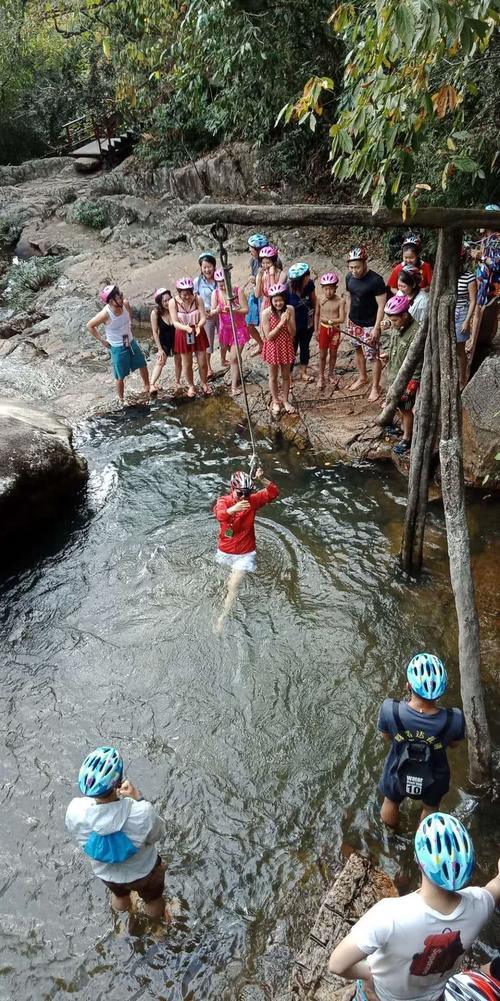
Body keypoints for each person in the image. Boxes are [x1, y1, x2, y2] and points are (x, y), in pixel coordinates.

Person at [328, 812, 500, 1001]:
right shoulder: (480, 906)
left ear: (418, 861)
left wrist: (369, 974)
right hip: (435, 996)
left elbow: (337, 964)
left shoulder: (389, 915)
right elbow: (496, 886)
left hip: (383, 996)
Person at [65, 746, 170, 921]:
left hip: (107, 874)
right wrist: (138, 798)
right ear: (118, 783)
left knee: (120, 896)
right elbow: (156, 835)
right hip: (144, 872)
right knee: (153, 900)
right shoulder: (141, 812)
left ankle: (123, 919)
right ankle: (155, 925)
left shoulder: (75, 811)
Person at [377, 652, 465, 828]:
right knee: (431, 808)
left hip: (397, 768)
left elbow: (386, 736)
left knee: (391, 801)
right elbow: (455, 745)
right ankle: (424, 844)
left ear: (408, 685)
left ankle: (391, 836)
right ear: (441, 691)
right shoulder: (454, 719)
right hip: (435, 773)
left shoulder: (390, 710)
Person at [214, 466, 279, 630]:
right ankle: (222, 603)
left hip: (245, 553)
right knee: (223, 584)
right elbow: (219, 515)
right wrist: (233, 509)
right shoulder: (223, 501)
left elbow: (273, 493)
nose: (244, 497)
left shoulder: (252, 501)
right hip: (225, 551)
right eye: (240, 493)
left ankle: (222, 618)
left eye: (247, 493)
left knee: (233, 586)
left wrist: (262, 479)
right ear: (232, 489)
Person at [87, 285, 151, 404]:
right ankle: (121, 399)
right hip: (117, 346)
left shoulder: (125, 304)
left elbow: (128, 316)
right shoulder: (105, 314)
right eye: (119, 296)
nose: (122, 297)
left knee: (142, 363)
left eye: (121, 295)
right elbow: (90, 326)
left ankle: (147, 386)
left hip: (130, 341)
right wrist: (102, 340)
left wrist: (129, 327)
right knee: (120, 375)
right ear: (111, 301)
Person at [345, 247, 387, 401]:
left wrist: (377, 327)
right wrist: (347, 317)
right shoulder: (349, 277)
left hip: (370, 323)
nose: (354, 270)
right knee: (357, 349)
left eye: (357, 267)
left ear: (364, 263)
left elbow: (382, 305)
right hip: (354, 321)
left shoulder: (376, 281)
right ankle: (362, 377)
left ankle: (376, 387)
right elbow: (350, 296)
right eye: (351, 267)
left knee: (373, 356)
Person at [384, 295, 423, 456]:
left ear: (405, 315)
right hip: (394, 375)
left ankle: (407, 438)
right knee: (398, 406)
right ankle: (400, 428)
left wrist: (412, 384)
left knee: (406, 409)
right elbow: (395, 347)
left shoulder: (416, 333)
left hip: (407, 381)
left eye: (395, 320)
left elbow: (419, 362)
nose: (392, 324)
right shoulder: (396, 328)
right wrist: (387, 355)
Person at [169, 276, 211, 398]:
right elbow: (175, 322)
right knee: (187, 363)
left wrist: (199, 325)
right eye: (184, 294)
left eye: (188, 293)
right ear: (179, 292)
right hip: (182, 332)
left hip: (198, 331)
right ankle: (191, 385)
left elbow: (203, 317)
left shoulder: (198, 299)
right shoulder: (173, 303)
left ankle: (204, 382)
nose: (187, 297)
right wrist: (186, 328)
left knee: (202, 361)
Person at [211, 269, 249, 395]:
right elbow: (213, 312)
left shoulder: (238, 291)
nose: (221, 285)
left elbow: (245, 310)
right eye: (219, 283)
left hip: (238, 328)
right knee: (235, 357)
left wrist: (234, 310)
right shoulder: (215, 294)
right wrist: (216, 310)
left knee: (233, 358)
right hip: (225, 330)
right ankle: (238, 374)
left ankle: (234, 387)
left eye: (224, 282)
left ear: (229, 280)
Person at [260, 282, 297, 415]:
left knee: (286, 376)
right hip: (272, 347)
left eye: (281, 300)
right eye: (275, 301)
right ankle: (276, 400)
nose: (278, 303)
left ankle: (286, 400)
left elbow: (293, 333)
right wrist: (281, 323)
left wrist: (287, 322)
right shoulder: (266, 313)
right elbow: (268, 336)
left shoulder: (290, 310)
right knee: (273, 376)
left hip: (286, 344)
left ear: (285, 299)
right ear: (271, 301)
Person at [315, 272, 346, 389]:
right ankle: (321, 376)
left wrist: (329, 321)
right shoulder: (320, 298)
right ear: (322, 288)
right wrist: (315, 330)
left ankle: (331, 373)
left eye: (331, 289)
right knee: (322, 355)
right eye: (326, 289)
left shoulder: (340, 301)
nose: (329, 292)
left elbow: (342, 319)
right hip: (323, 330)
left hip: (335, 331)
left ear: (336, 288)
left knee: (333, 353)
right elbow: (317, 314)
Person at [287, 262, 317, 382]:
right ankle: (287, 375)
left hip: (307, 322)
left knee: (305, 347)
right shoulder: (287, 290)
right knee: (292, 349)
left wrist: (315, 318)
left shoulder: (309, 284)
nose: (308, 278)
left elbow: (314, 301)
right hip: (294, 325)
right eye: (307, 276)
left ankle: (303, 372)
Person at [149, 288, 182, 393]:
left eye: (169, 299)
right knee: (161, 361)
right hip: (164, 339)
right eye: (165, 301)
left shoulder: (175, 308)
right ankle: (152, 384)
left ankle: (177, 382)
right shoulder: (155, 313)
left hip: (176, 337)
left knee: (178, 360)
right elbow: (154, 331)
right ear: (160, 302)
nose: (168, 303)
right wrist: (159, 349)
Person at [193, 252, 219, 377]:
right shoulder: (197, 282)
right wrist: (202, 313)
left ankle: (225, 359)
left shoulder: (220, 278)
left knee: (225, 338)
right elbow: (194, 300)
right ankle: (208, 367)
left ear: (214, 266)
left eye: (209, 266)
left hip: (221, 312)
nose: (207, 269)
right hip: (206, 314)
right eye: (204, 267)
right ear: (201, 268)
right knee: (208, 342)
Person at [455, 252, 478, 389]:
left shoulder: (469, 278)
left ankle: (462, 379)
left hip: (461, 314)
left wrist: (466, 320)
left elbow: (473, 301)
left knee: (459, 350)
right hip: (448, 314)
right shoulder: (447, 275)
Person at [245, 234, 268, 355]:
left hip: (266, 296)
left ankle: (269, 347)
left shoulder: (272, 261)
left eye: (251, 248)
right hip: (255, 294)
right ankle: (261, 344)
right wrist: (252, 277)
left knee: (267, 325)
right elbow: (252, 273)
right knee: (248, 323)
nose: (249, 250)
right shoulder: (253, 260)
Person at [255, 245, 285, 312]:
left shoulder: (282, 274)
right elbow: (257, 295)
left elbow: (274, 293)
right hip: (265, 304)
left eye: (268, 263)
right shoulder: (260, 275)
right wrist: (259, 278)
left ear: (273, 262)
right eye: (263, 263)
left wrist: (271, 275)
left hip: (278, 304)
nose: (265, 266)